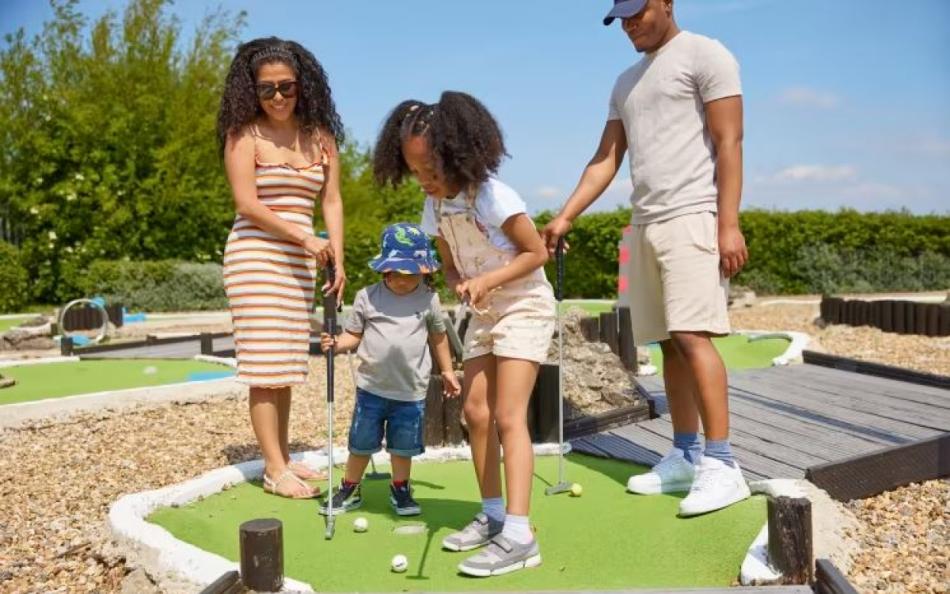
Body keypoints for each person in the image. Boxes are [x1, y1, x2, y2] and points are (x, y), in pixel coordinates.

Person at [542, 0, 751, 516]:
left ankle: (723, 465)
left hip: (693, 216)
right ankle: (684, 453)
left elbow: (729, 141)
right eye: (622, 18)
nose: (630, 24)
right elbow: (607, 158)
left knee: (692, 335)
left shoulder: (707, 54)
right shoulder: (625, 81)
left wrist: (728, 224)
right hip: (643, 225)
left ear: (667, 3)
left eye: (638, 13)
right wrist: (566, 215)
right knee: (665, 343)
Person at [374, 92, 554, 576]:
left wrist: (487, 281)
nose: (425, 181)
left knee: (509, 414)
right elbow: (450, 266)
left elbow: (537, 254)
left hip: (524, 306)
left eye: (431, 169)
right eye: (415, 172)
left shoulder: (494, 195)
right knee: (476, 413)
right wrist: (459, 284)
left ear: (459, 155)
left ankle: (520, 535)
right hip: (487, 311)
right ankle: (493, 515)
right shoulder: (434, 208)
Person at [217, 37, 346, 499]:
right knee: (264, 365)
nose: (276, 97)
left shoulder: (320, 137)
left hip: (300, 263)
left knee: (286, 364)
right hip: (256, 257)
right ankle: (274, 470)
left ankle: (284, 456)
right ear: (250, 90)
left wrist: (339, 257)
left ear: (302, 86)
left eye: (285, 87)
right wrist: (307, 238)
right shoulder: (243, 135)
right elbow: (246, 203)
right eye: (265, 89)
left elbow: (331, 200)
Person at [318, 222, 461, 516]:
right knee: (360, 444)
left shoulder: (428, 299)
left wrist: (447, 370)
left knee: (402, 448)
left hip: (410, 391)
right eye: (397, 274)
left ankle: (400, 488)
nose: (404, 281)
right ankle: (349, 486)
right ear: (385, 269)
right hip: (372, 388)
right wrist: (336, 342)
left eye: (412, 275)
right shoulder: (367, 297)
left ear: (424, 271)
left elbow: (438, 337)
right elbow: (354, 336)